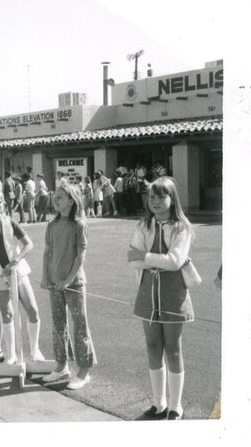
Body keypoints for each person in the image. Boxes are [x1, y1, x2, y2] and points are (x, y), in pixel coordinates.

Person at [127, 176, 194, 421]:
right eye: (151, 197)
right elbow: (131, 260)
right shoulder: (143, 225)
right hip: (147, 291)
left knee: (173, 349)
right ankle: (159, 404)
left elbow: (175, 261)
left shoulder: (181, 228)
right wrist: (152, 260)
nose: (155, 201)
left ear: (172, 198)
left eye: (161, 196)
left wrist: (145, 256)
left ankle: (176, 406)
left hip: (172, 292)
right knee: (153, 346)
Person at [0, 189, 44, 365]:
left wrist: (16, 260)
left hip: (18, 273)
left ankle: (35, 350)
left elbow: (28, 244)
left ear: (3, 204)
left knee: (32, 311)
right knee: (8, 314)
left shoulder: (10, 223)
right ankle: (11, 354)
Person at [41, 182, 96, 389]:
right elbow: (47, 252)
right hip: (55, 283)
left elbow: (81, 255)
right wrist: (45, 277)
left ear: (72, 201)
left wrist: (68, 280)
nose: (56, 199)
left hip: (74, 284)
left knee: (80, 325)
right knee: (58, 325)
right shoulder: (51, 225)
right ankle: (62, 365)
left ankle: (84, 371)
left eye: (61, 197)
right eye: (55, 196)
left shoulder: (79, 225)